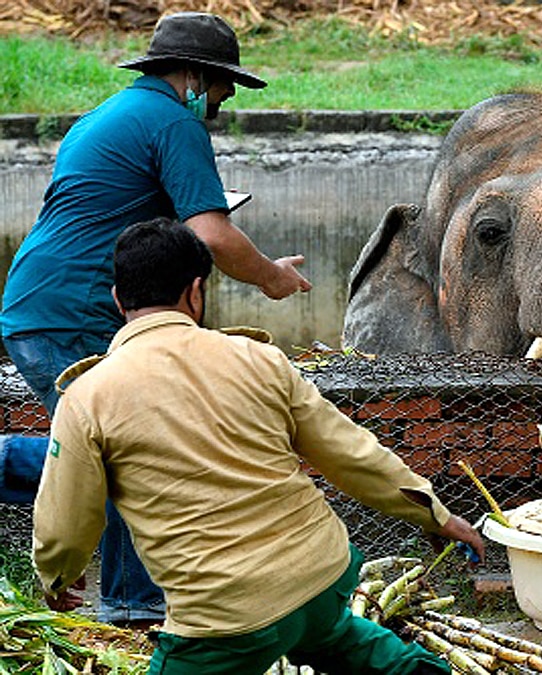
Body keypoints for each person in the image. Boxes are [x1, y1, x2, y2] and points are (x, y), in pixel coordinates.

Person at [32, 218, 484, 674]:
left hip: (225, 617)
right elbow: (349, 451)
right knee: (334, 636)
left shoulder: (88, 397)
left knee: (293, 635)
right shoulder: (260, 359)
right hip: (321, 573)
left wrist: (57, 575)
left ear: (116, 300)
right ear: (195, 291)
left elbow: (67, 516)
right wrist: (434, 512)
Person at [1, 12, 311, 625]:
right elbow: (211, 232)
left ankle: (133, 603)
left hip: (45, 302)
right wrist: (272, 276)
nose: (222, 103)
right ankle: (132, 604)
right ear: (195, 76)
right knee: (120, 451)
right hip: (76, 310)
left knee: (123, 448)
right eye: (222, 88)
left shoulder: (108, 115)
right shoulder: (174, 121)